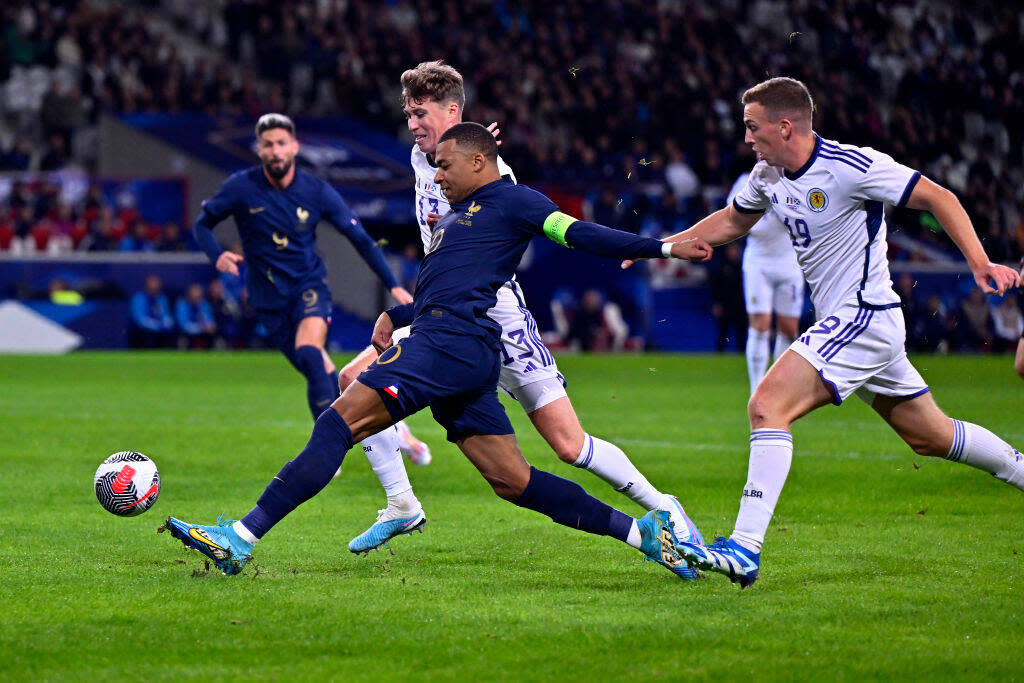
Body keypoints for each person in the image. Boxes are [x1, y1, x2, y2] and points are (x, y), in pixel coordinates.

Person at [164, 123, 714, 579]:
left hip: (450, 344)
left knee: (338, 423)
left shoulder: (518, 203)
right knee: (513, 481)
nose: (439, 176)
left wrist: (662, 247)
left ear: (479, 161)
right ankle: (640, 531)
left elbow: (581, 234)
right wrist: (395, 314)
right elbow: (441, 291)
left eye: (446, 166)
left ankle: (239, 535)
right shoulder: (455, 220)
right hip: (458, 346)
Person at [632, 77, 1023, 588]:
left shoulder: (852, 167)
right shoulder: (767, 175)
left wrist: (979, 262)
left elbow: (939, 197)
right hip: (854, 324)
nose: (746, 137)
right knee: (931, 436)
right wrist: (660, 247)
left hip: (864, 315)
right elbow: (731, 220)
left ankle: (744, 547)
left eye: (753, 127)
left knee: (767, 405)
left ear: (785, 125)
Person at [341, 61, 703, 555]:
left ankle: (664, 507)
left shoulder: (500, 181)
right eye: (408, 114)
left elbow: (554, 226)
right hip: (443, 315)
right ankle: (402, 503)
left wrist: (657, 247)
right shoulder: (419, 156)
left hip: (498, 314)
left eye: (420, 113)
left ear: (452, 112)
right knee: (352, 379)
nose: (412, 125)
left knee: (569, 445)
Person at [190, 113, 413, 419]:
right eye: (268, 145)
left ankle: (325, 454)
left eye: (281, 143)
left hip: (308, 287)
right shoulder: (240, 188)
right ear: (259, 149)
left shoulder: (315, 191)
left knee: (310, 352)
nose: (276, 151)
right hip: (267, 299)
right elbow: (203, 225)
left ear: (294, 147)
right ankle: (400, 434)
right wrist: (217, 255)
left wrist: (394, 284)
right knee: (325, 376)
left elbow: (359, 237)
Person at [727, 173, 806, 394]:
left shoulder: (795, 179)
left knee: (789, 329)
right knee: (760, 324)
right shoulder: (746, 181)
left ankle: (776, 388)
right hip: (758, 261)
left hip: (789, 260)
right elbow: (732, 217)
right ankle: (756, 390)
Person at [129, 274, 174, 348]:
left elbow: (166, 314)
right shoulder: (139, 297)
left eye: (156, 287)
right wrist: (156, 325)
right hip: (143, 331)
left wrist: (167, 323)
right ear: (146, 286)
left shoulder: (161, 298)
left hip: (159, 330)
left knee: (170, 333)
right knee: (148, 335)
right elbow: (139, 319)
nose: (154, 289)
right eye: (152, 287)